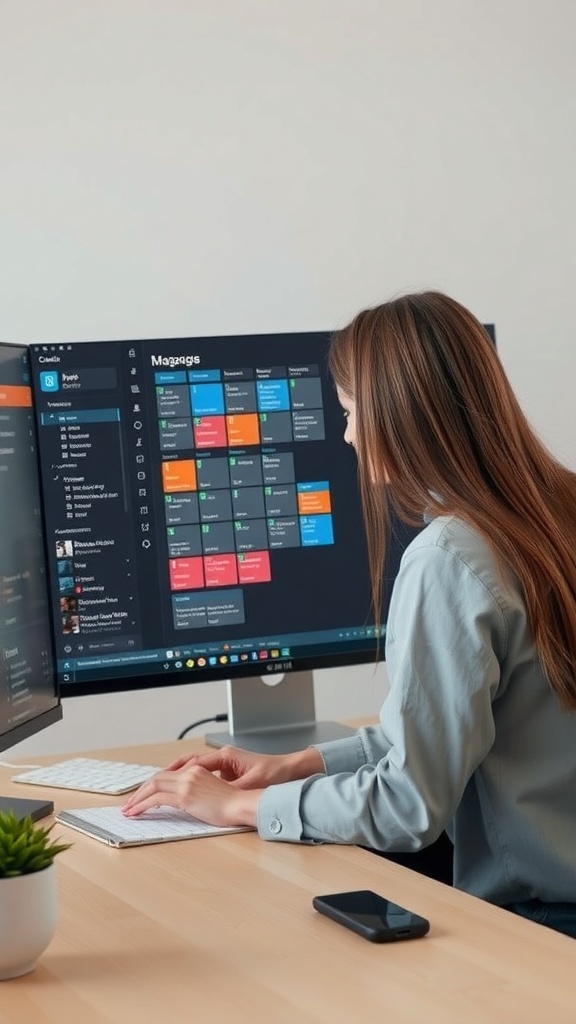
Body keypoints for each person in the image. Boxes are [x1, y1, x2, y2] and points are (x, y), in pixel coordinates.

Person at [123, 291, 576, 938]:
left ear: (397, 414)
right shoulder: (560, 511)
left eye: (349, 411)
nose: (347, 435)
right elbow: (459, 734)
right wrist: (297, 763)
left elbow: (409, 804)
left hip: (544, 931)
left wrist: (242, 806)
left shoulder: (450, 557)